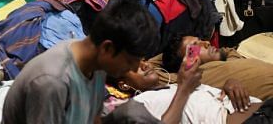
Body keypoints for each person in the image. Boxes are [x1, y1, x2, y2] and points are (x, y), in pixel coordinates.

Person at [0, 0, 160, 124]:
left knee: (135, 113)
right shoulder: (52, 81)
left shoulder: (96, 64)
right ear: (107, 48)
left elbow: (93, 118)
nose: (133, 68)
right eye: (131, 61)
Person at [104, 59, 261, 124]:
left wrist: (231, 83)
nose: (145, 65)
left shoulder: (176, 84)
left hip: (263, 107)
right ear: (124, 85)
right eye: (135, 66)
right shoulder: (142, 103)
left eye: (144, 60)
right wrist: (184, 89)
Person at [162, 34, 273, 100]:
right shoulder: (190, 78)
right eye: (195, 46)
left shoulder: (231, 58)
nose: (207, 42)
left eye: (201, 40)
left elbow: (228, 50)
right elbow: (151, 72)